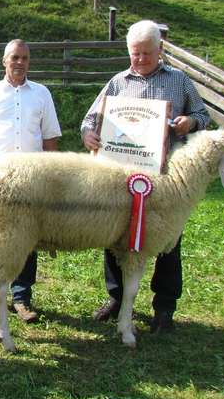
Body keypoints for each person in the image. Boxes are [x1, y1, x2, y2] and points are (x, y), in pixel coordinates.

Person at [81, 19, 210, 333]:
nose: (139, 59)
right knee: (114, 236)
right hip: (120, 178)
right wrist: (89, 136)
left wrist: (187, 124)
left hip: (165, 180)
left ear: (160, 49)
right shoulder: (117, 82)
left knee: (167, 242)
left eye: (146, 54)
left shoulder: (179, 81)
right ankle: (116, 297)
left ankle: (164, 308)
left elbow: (203, 117)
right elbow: (90, 119)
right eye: (135, 54)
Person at [0, 39, 62, 323]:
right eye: (15, 57)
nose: (20, 62)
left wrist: (50, 176)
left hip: (31, 172)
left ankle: (21, 297)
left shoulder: (42, 94)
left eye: (25, 58)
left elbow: (50, 138)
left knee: (28, 234)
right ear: (4, 61)